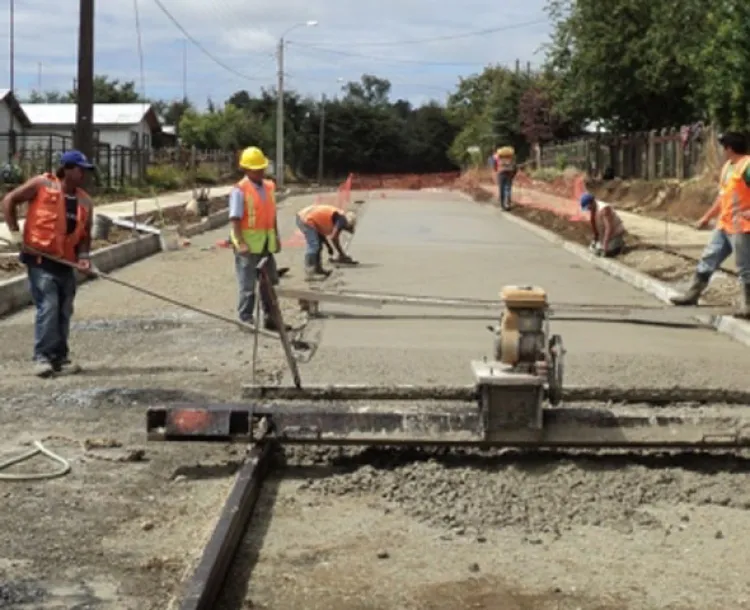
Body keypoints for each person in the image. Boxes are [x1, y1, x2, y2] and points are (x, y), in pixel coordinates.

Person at [1, 150, 95, 377]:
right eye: (79, 169)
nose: (83, 174)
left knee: (64, 310)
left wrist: (84, 257)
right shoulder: (42, 184)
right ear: (67, 169)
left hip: (66, 263)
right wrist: (15, 233)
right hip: (41, 260)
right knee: (49, 306)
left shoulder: (85, 200)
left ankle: (59, 358)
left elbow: (85, 235)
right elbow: (9, 200)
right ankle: (42, 357)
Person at [670, 131, 750, 317]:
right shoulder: (728, 167)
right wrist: (706, 217)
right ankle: (692, 294)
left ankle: (747, 305)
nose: (722, 151)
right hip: (724, 224)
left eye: (723, 147)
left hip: (742, 226)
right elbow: (722, 197)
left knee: (744, 266)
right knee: (709, 257)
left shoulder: (747, 166)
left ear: (729, 148)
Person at [228, 146, 286, 331]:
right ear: (246, 169)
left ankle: (271, 319)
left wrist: (276, 237)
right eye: (257, 168)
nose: (261, 171)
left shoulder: (268, 187)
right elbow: (235, 219)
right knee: (247, 286)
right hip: (247, 247)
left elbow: (271, 215)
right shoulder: (240, 190)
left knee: (269, 284)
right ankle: (245, 320)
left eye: (262, 168)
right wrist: (241, 243)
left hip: (266, 245)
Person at [295, 203, 357, 280]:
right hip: (305, 218)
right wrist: (342, 254)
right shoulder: (342, 220)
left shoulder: (337, 217)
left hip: (306, 216)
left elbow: (321, 235)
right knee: (313, 245)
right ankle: (310, 273)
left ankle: (317, 269)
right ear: (349, 224)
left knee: (318, 245)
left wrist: (328, 247)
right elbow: (334, 237)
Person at [579, 192, 626, 257]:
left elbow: (609, 227)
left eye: (588, 207)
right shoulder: (593, 208)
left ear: (592, 202)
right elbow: (594, 223)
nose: (588, 209)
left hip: (615, 234)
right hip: (605, 236)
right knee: (594, 250)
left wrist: (605, 243)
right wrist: (595, 239)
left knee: (607, 252)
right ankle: (607, 245)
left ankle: (619, 245)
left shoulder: (604, 209)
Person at [493, 146, 516, 211]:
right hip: (509, 174)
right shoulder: (511, 158)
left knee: (501, 189)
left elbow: (495, 166)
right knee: (508, 189)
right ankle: (508, 204)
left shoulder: (497, 157)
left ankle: (502, 205)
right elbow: (515, 167)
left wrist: (496, 171)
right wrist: (513, 175)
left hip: (501, 174)